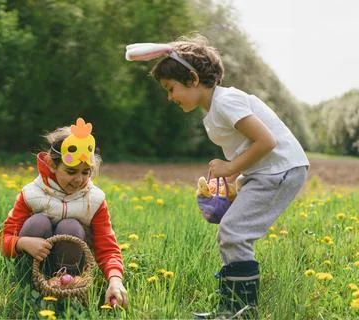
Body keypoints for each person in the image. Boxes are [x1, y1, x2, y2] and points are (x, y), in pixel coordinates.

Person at [125, 35, 309, 318]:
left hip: (279, 169)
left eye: (171, 88)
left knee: (234, 232)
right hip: (265, 171)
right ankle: (233, 307)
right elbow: (249, 147)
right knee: (231, 232)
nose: (170, 97)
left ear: (192, 78)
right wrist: (230, 186)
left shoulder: (226, 102)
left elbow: (267, 141)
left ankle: (241, 311)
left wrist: (231, 168)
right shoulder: (213, 111)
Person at [0, 117, 128, 309]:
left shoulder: (95, 199)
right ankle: (30, 285)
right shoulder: (31, 194)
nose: (79, 179)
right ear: (51, 164)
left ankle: (67, 287)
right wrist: (22, 243)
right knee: (38, 222)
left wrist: (115, 280)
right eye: (71, 171)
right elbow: (2, 240)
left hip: (71, 265)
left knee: (71, 225)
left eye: (86, 172)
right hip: (36, 263)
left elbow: (107, 246)